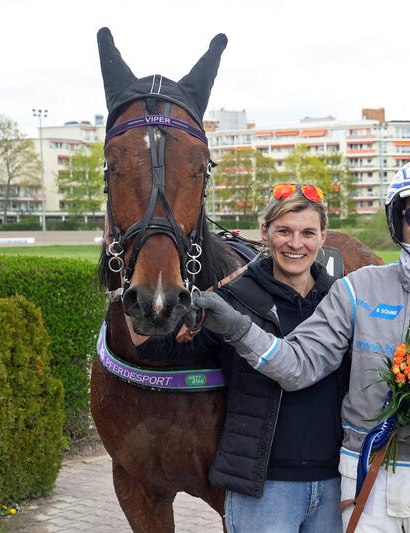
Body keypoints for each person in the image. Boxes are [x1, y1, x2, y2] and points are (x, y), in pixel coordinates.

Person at [193, 156, 410, 533]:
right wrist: (238, 329)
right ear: (398, 218)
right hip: (364, 469)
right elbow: (299, 366)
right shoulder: (356, 288)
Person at [133, 184, 346, 532]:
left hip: (335, 483)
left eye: (308, 232)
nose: (296, 243)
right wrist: (139, 284)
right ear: (265, 232)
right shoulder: (233, 300)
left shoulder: (342, 297)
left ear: (323, 236)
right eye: (284, 231)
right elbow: (157, 349)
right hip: (263, 490)